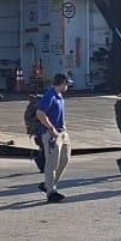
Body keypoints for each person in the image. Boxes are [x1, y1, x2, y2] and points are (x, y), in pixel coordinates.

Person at [36, 74, 73, 202]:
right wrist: (51, 129)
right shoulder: (49, 95)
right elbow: (40, 113)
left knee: (65, 160)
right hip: (51, 134)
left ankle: (48, 184)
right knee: (52, 163)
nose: (68, 86)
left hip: (62, 132)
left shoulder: (59, 96)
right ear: (62, 83)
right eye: (67, 84)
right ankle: (51, 192)